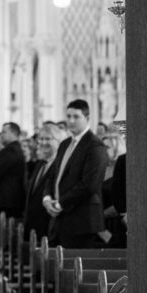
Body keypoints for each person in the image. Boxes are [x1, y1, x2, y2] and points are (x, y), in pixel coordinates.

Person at [42, 99, 108, 247]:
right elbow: (53, 176)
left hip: (81, 221)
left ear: (87, 118)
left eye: (76, 117)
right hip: (59, 219)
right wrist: (46, 199)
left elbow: (89, 185)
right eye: (68, 116)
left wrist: (60, 204)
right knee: (55, 266)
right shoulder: (65, 144)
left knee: (75, 267)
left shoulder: (95, 145)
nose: (71, 121)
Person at [23, 121, 67, 240]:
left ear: (59, 142)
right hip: (33, 227)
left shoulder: (61, 165)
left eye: (48, 139)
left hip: (48, 230)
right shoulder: (41, 163)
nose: (43, 143)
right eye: (41, 139)